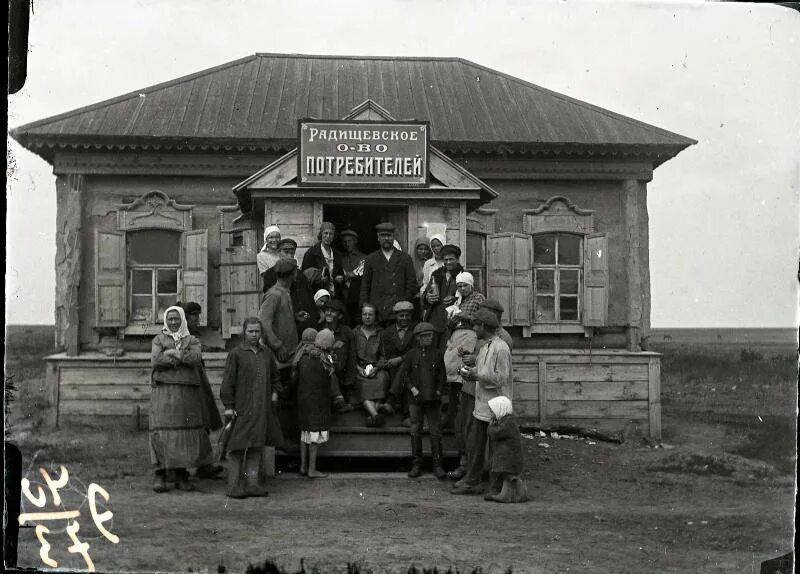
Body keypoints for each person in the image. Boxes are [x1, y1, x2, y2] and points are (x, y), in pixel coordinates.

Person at [149, 306, 214, 493]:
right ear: (165, 321)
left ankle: (181, 474)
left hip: (187, 392)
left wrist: (176, 354)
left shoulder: (192, 339)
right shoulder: (158, 339)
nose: (173, 322)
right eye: (170, 319)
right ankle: (160, 473)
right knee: (162, 431)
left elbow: (196, 357)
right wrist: (178, 359)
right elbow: (156, 360)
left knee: (183, 433)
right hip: (164, 391)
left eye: (177, 319)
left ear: (183, 319)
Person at [219, 317, 283, 499]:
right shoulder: (236, 354)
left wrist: (275, 393)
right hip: (241, 408)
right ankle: (233, 486)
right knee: (237, 446)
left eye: (257, 331)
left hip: (262, 409)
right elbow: (228, 383)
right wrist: (229, 406)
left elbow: (275, 377)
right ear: (244, 332)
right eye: (250, 331)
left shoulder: (266, 354)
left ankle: (252, 484)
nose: (254, 335)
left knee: (256, 445)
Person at [452, 307, 513, 495]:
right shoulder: (486, 345)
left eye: (476, 326)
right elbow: (483, 372)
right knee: (476, 445)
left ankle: (495, 486)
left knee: (496, 448)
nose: (473, 330)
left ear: (484, 326)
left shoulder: (500, 347)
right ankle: (473, 481)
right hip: (482, 405)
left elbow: (501, 378)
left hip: (496, 407)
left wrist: (477, 374)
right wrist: (471, 372)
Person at [394, 322, 447, 479]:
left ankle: (438, 465)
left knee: (435, 432)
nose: (428, 338)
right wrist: (412, 388)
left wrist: (438, 391)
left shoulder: (437, 354)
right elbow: (404, 375)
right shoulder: (411, 355)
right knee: (415, 431)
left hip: (433, 400)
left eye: (430, 335)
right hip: (415, 400)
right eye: (424, 336)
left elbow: (441, 377)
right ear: (418, 338)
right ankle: (417, 464)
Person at [260, 259, 300, 451]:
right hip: (280, 358)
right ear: (292, 274)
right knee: (282, 398)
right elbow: (264, 324)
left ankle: (286, 438)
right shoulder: (274, 295)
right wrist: (277, 345)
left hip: (290, 355)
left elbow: (278, 319)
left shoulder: (285, 293)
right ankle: (281, 441)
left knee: (288, 397)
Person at [181, 302, 224, 479]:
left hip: (199, 382)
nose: (197, 319)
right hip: (187, 385)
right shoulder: (180, 336)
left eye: (198, 315)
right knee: (188, 425)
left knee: (204, 423)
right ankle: (181, 467)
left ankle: (204, 465)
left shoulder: (193, 336)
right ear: (186, 318)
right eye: (194, 316)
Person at [293, 328, 336, 478]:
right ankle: (312, 469)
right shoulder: (326, 360)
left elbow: (295, 379)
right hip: (318, 403)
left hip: (303, 401)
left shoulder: (302, 357)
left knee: (304, 434)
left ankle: (303, 466)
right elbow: (331, 382)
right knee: (314, 436)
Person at [443, 311, 478, 481]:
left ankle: (469, 467)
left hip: (464, 379)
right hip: (459, 378)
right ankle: (465, 464)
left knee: (465, 422)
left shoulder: (469, 336)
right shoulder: (463, 335)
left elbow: (465, 355)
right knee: (460, 420)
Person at [360, 222, 417, 324]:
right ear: (378, 238)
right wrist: (365, 306)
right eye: (383, 235)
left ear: (393, 237)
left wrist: (403, 302)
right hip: (378, 310)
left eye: (389, 235)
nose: (386, 238)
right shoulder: (371, 258)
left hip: (398, 310)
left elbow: (411, 283)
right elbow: (365, 285)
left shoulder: (404, 258)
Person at [351, 302, 392, 426]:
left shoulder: (381, 332)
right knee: (363, 383)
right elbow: (351, 355)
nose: (367, 317)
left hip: (377, 368)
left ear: (375, 316)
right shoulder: (355, 332)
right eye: (365, 314)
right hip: (360, 369)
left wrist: (377, 367)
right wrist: (358, 368)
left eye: (370, 314)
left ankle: (372, 416)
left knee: (383, 378)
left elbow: (384, 355)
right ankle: (376, 414)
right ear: (361, 316)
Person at [485, 396, 528, 503]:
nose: (491, 414)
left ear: (500, 409)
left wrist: (490, 425)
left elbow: (494, 433)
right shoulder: (507, 421)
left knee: (509, 477)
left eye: (493, 412)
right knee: (507, 476)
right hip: (508, 457)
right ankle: (509, 494)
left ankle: (512, 495)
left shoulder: (507, 423)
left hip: (509, 458)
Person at [382, 300, 418, 427]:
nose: (404, 318)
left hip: (412, 366)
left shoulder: (416, 330)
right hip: (392, 367)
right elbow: (388, 353)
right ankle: (406, 416)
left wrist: (401, 359)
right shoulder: (387, 332)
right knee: (404, 373)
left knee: (406, 369)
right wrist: (397, 361)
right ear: (395, 316)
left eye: (407, 315)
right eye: (401, 315)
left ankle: (391, 401)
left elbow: (415, 351)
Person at [323, 299, 358, 407]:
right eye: (327, 310)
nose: (328, 313)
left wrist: (350, 383)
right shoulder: (320, 331)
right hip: (327, 375)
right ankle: (338, 399)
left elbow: (352, 357)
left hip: (343, 376)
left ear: (340, 316)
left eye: (333, 311)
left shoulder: (346, 331)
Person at [423, 244, 463, 336]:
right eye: (445, 260)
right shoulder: (436, 274)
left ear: (457, 259)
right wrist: (427, 297)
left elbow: (470, 296)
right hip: (435, 318)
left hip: (453, 319)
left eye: (451, 259)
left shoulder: (463, 275)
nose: (448, 262)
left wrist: (455, 298)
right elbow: (425, 294)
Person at [302, 221, 345, 297]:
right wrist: (319, 280)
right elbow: (304, 277)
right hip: (317, 295)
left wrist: (340, 278)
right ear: (321, 234)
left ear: (334, 236)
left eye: (331, 234)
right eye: (325, 233)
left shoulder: (337, 254)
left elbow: (340, 272)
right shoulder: (312, 253)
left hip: (334, 294)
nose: (328, 236)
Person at [339, 229, 366, 325]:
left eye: (349, 241)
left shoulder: (364, 258)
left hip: (358, 299)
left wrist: (351, 275)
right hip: (343, 297)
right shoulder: (339, 258)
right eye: (344, 242)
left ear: (355, 241)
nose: (347, 244)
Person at [257, 225, 282, 292]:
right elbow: (266, 276)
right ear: (266, 239)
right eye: (271, 237)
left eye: (277, 237)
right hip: (272, 290)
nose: (274, 240)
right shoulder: (261, 256)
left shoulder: (286, 252)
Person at [420, 234, 445, 299]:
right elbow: (425, 283)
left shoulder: (448, 262)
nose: (436, 248)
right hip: (432, 297)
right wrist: (425, 297)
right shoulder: (428, 263)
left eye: (438, 245)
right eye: (433, 246)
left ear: (443, 245)